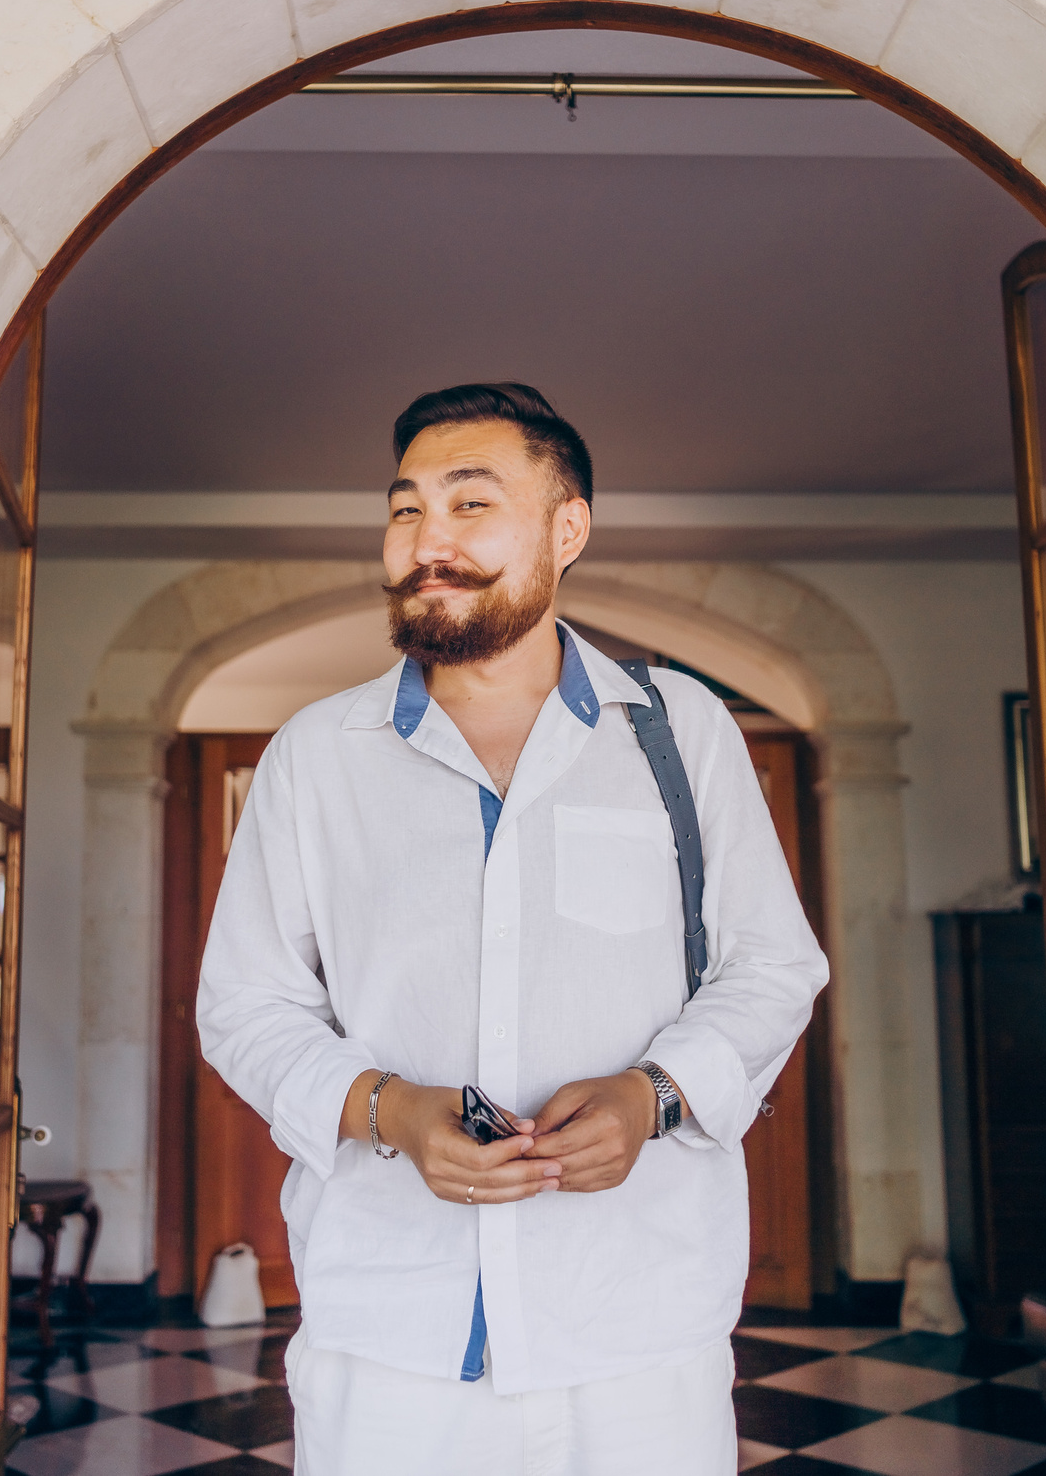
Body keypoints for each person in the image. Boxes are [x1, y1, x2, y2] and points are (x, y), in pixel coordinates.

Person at [196, 382, 829, 1475]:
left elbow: (772, 965)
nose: (425, 540)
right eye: (405, 509)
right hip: (390, 1338)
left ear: (566, 528)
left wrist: (654, 1094)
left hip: (635, 1331)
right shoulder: (315, 754)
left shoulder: (680, 732)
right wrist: (386, 1108)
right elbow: (245, 1003)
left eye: (470, 504)